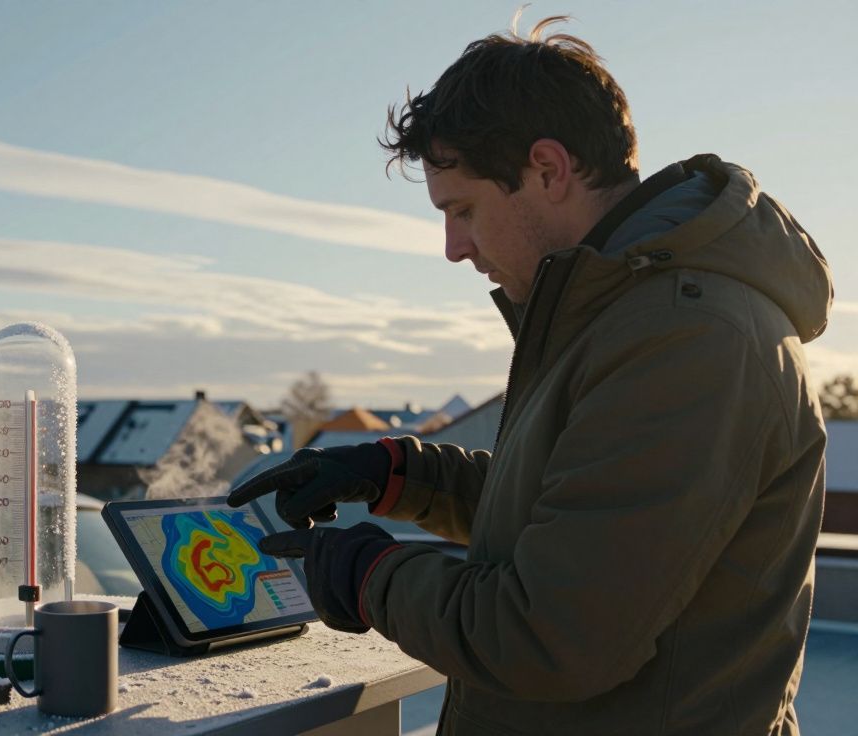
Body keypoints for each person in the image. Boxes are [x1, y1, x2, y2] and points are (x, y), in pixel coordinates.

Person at [228, 16, 830, 735]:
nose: (454, 247)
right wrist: (395, 473)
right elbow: (568, 516)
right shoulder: (622, 316)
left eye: (463, 210)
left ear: (548, 169)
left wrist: (368, 577)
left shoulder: (689, 339)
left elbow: (553, 637)